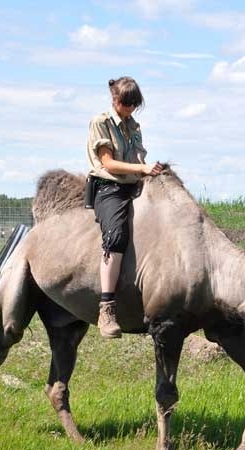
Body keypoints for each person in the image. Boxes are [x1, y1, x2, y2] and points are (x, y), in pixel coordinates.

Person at [87, 76, 163, 338]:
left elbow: (139, 157)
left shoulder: (135, 126)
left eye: (134, 104)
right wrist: (141, 168)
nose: (130, 109)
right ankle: (106, 308)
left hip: (134, 185)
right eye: (126, 104)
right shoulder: (101, 123)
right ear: (115, 99)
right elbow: (108, 163)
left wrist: (150, 169)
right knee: (116, 235)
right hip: (109, 188)